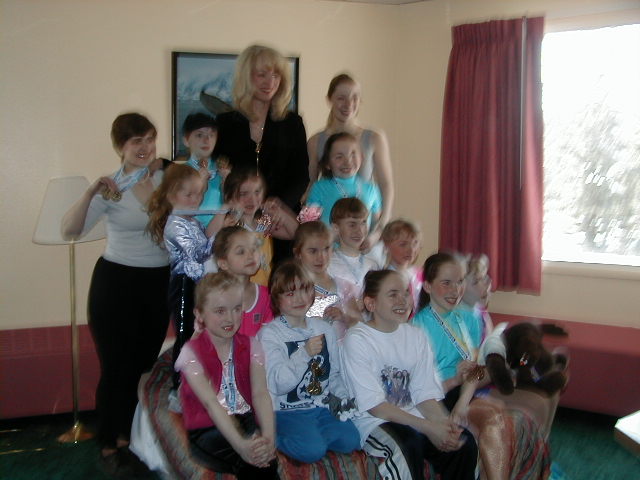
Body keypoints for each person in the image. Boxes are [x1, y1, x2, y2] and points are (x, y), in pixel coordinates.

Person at [61, 113, 169, 475]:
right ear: (120, 146)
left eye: (149, 139)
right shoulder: (112, 187)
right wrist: (90, 191)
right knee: (116, 368)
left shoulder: (165, 178)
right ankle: (110, 443)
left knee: (142, 365)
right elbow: (69, 229)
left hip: (158, 282)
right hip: (117, 284)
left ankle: (128, 437)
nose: (145, 147)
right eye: (136, 141)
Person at [412, 253, 550, 480]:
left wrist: (462, 404)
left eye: (459, 282)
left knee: (496, 421)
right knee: (490, 424)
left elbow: (475, 368)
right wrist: (455, 385)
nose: (455, 289)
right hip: (434, 398)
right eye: (446, 283)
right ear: (427, 286)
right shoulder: (417, 328)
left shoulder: (466, 319)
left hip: (462, 392)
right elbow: (419, 388)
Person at [340, 269, 478, 480]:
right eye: (393, 294)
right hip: (374, 421)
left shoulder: (416, 336)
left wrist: (443, 425)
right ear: (371, 303)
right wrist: (428, 428)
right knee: (408, 444)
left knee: (463, 444)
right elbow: (376, 407)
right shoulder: (358, 339)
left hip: (413, 416)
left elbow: (424, 393)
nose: (403, 300)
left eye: (406, 293)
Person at [176, 272, 279, 479]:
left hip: (245, 418)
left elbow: (260, 394)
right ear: (199, 314)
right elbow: (211, 404)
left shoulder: (252, 345)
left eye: (237, 309)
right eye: (220, 311)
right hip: (207, 427)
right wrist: (241, 446)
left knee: (266, 459)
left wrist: (269, 439)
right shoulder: (191, 353)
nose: (230, 318)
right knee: (251, 463)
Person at [257, 261, 360, 463]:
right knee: (312, 451)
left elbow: (333, 374)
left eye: (305, 290)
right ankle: (273, 438)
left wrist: (342, 397)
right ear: (276, 299)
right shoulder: (270, 334)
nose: (299, 298)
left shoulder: (324, 329)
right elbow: (278, 384)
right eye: (290, 293)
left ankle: (314, 436)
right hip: (287, 410)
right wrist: (304, 354)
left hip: (319, 406)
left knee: (351, 441)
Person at [215, 44, 309, 264]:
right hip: (240, 222)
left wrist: (278, 205)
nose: (270, 82)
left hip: (281, 220)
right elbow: (218, 173)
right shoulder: (225, 123)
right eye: (262, 75)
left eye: (276, 75)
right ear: (246, 78)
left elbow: (301, 175)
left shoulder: (292, 123)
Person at [307, 73, 393, 248]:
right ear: (329, 99)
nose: (348, 104)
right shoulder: (316, 141)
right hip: (331, 242)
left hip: (366, 237)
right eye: (341, 98)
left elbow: (386, 185)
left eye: (355, 98)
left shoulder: (374, 138)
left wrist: (379, 230)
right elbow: (311, 185)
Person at [147, 163, 214, 382]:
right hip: (183, 285)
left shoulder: (192, 221)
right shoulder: (175, 224)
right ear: (171, 196)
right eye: (189, 195)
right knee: (186, 335)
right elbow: (198, 254)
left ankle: (197, 380)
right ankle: (179, 383)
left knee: (199, 332)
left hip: (197, 284)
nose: (196, 200)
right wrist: (219, 232)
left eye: (199, 194)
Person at [208, 167, 298, 286]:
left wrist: (280, 212)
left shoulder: (262, 224)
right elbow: (209, 236)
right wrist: (225, 207)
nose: (252, 199)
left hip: (263, 287)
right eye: (244, 194)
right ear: (230, 197)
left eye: (257, 192)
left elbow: (296, 234)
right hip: (238, 288)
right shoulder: (231, 224)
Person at [306, 132, 382, 243]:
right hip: (330, 251)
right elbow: (307, 223)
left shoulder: (371, 189)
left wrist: (372, 239)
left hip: (360, 251)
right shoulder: (319, 188)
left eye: (353, 154)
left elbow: (378, 225)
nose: (347, 161)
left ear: (361, 157)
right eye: (339, 157)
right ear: (327, 163)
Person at [293, 220, 361, 338]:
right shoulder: (292, 290)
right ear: (298, 253)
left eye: (326, 249)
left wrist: (344, 317)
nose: (321, 257)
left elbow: (360, 325)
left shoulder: (344, 287)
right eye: (313, 251)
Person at [213, 226, 273, 337]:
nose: (250, 256)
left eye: (254, 249)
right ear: (223, 263)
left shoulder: (265, 296)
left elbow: (269, 338)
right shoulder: (213, 298)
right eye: (241, 252)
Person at [181, 112, 228, 228]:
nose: (207, 140)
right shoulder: (179, 173)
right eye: (199, 135)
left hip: (220, 232)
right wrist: (200, 184)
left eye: (211, 135)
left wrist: (227, 185)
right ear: (186, 140)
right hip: (191, 233)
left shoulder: (222, 170)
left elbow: (231, 206)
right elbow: (179, 211)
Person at [327, 198, 381, 289]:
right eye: (352, 225)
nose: (359, 230)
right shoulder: (328, 264)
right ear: (336, 228)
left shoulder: (373, 266)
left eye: (363, 223)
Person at [381, 219, 423, 314]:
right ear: (386, 246)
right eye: (403, 244)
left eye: (415, 243)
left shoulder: (420, 275)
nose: (411, 249)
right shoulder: (383, 279)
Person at [460, 253, 493, 340]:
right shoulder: (458, 319)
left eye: (484, 278)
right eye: (476, 281)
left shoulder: (482, 312)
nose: (486, 284)